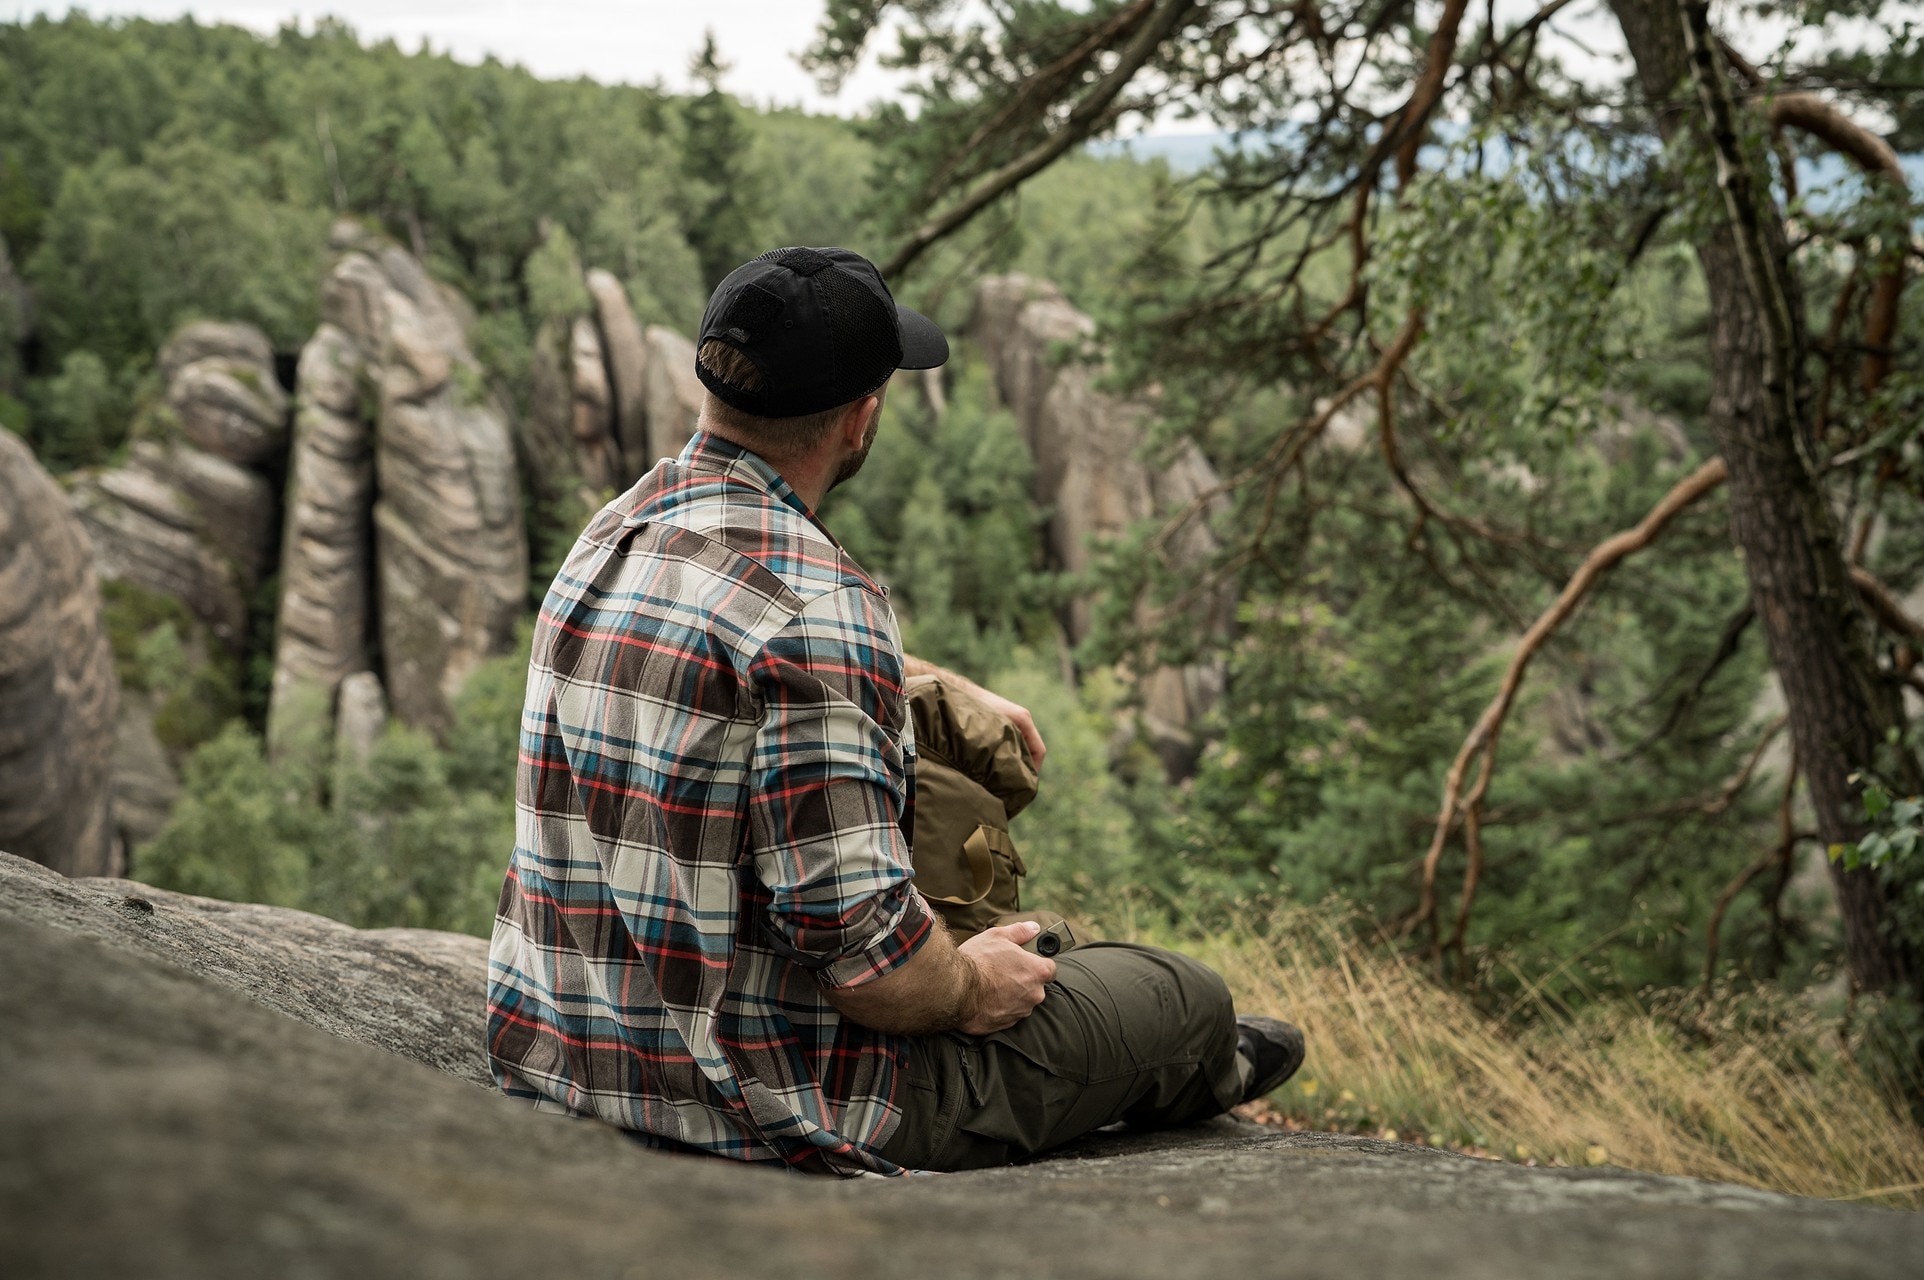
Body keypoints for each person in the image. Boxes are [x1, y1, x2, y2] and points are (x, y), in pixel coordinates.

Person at [485, 246, 1303, 1175]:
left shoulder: (618, 527)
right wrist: (966, 988)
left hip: (560, 1052)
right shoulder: (823, 608)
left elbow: (725, 638)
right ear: (862, 418)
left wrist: (925, 676)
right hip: (772, 1098)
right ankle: (1203, 1066)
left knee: (1044, 954)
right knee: (1182, 996)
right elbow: (874, 972)